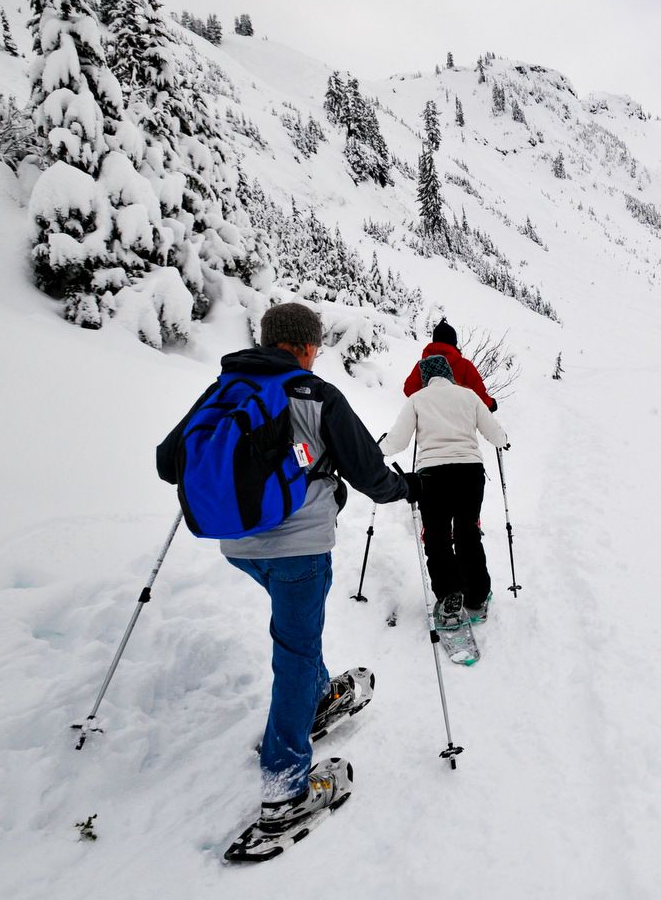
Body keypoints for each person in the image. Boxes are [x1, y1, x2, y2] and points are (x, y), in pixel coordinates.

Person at [155, 302, 420, 832]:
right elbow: (368, 471)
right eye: (316, 347)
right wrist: (404, 488)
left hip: (239, 547)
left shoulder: (224, 388)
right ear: (302, 346)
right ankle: (285, 789)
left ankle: (315, 698)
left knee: (297, 637)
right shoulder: (315, 394)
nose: (317, 355)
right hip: (299, 549)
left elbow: (168, 462)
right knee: (295, 652)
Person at [381, 352, 508, 627]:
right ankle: (477, 597)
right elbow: (497, 435)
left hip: (432, 476)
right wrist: (504, 439)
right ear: (449, 374)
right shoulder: (469, 396)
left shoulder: (417, 399)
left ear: (426, 377)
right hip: (469, 474)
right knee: (468, 534)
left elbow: (398, 442)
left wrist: (377, 448)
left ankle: (450, 598)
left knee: (437, 538)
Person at [403, 318, 498, 411]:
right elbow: (479, 395)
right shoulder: (465, 365)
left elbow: (409, 389)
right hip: (459, 421)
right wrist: (491, 404)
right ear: (453, 342)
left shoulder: (422, 365)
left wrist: (429, 400)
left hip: (429, 421)